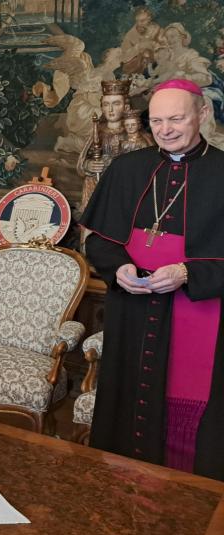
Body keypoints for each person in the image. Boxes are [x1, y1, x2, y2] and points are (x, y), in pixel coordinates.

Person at [79, 79, 224, 480]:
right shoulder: (127, 169)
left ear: (203, 114)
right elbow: (101, 243)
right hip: (133, 310)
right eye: (157, 120)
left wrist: (188, 273)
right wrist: (117, 268)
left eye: (176, 118)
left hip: (201, 313)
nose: (165, 129)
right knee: (128, 401)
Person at [76, 79, 130, 212]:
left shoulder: (134, 134)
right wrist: (88, 165)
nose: (110, 109)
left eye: (116, 104)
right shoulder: (97, 132)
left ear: (126, 107)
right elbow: (81, 164)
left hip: (124, 188)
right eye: (106, 104)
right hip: (97, 186)